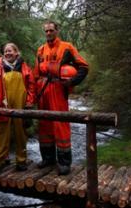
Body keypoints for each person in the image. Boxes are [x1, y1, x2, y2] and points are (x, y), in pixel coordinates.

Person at [34, 20, 89, 175]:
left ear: (57, 30)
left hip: (58, 89)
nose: (49, 33)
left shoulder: (67, 47)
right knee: (44, 123)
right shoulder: (40, 50)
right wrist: (33, 93)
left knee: (60, 124)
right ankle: (47, 159)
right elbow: (35, 73)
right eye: (46, 31)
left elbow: (84, 66)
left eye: (51, 30)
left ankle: (64, 162)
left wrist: (72, 82)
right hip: (42, 89)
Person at [0, 43, 36, 171]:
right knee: (1, 132)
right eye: (5, 51)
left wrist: (29, 102)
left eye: (10, 51)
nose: (7, 53)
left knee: (21, 132)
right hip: (3, 103)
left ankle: (21, 160)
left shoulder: (24, 67)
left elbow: (31, 86)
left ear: (17, 53)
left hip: (20, 104)